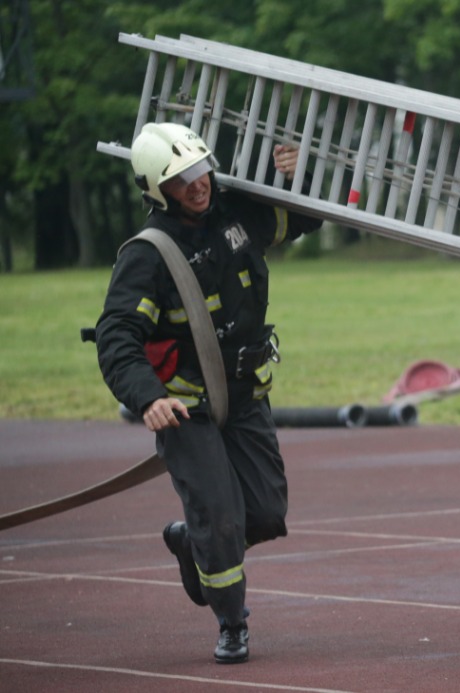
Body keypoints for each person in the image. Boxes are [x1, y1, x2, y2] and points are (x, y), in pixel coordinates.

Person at [95, 122, 322, 664]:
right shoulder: (148, 254)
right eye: (180, 179)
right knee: (220, 517)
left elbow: (305, 218)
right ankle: (232, 623)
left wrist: (297, 173)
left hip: (246, 396)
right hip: (184, 408)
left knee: (265, 513)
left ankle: (190, 542)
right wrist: (149, 398)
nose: (197, 184)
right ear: (156, 189)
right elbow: (116, 336)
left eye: (200, 170)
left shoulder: (236, 213)